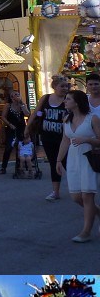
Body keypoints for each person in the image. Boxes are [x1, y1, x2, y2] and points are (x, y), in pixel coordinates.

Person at [54, 90, 100, 242]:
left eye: (68, 99)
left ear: (77, 102)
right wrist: (58, 161)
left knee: (87, 196)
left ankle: (86, 232)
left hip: (89, 159)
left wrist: (87, 140)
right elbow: (65, 140)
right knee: (76, 197)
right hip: (73, 159)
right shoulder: (67, 119)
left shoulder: (92, 119)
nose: (65, 101)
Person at [26, 75, 70, 202]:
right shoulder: (46, 98)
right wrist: (27, 128)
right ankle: (55, 192)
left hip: (64, 138)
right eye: (62, 86)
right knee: (53, 163)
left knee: (68, 163)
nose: (65, 88)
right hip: (47, 137)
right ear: (54, 86)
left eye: (66, 86)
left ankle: (79, 189)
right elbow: (36, 113)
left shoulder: (69, 99)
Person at [0, 90, 30, 174]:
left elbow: (27, 114)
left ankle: (19, 167)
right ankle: (3, 167)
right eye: (16, 94)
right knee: (9, 147)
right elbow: (3, 117)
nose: (18, 95)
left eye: (19, 94)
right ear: (12, 97)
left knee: (20, 148)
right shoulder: (8, 105)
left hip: (21, 128)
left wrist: (22, 104)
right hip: (11, 128)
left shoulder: (23, 105)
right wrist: (9, 124)